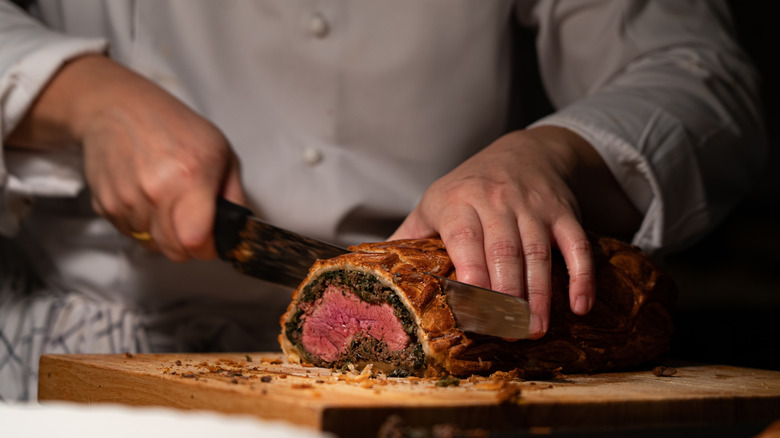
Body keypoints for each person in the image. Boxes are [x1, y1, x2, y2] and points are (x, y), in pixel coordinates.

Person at [0, 0, 766, 401]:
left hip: (444, 364)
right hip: (99, 346)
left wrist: (550, 152)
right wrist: (74, 92)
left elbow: (700, 72)